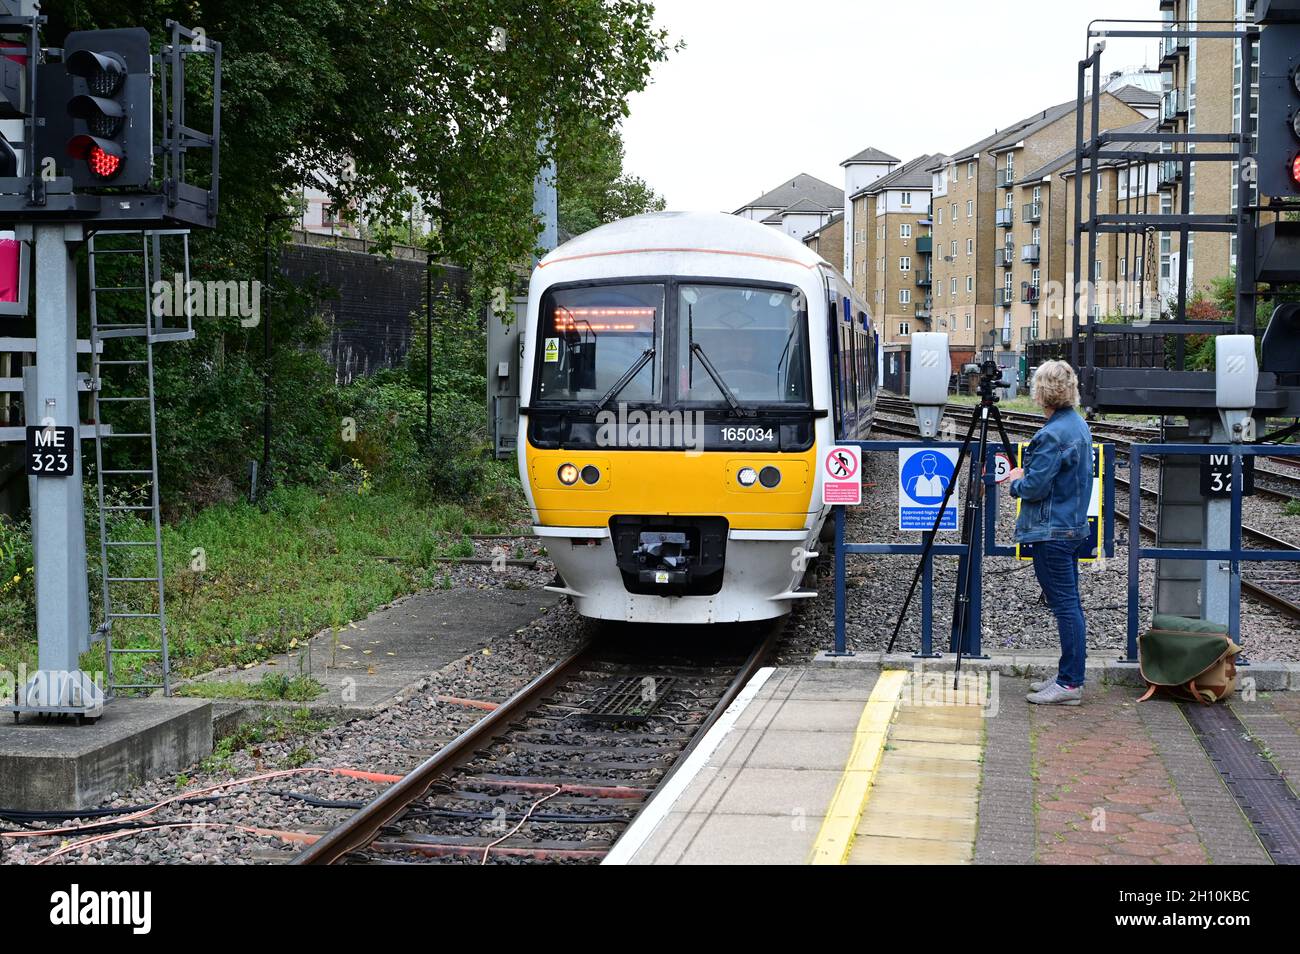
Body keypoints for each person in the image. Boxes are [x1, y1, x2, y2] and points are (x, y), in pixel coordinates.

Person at [1005, 360, 1093, 706]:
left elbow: (1035, 487)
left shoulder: (1051, 434)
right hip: (1071, 528)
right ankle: (1067, 675)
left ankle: (1070, 683)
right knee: (1070, 605)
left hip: (1052, 532)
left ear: (1042, 391)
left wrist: (1016, 481)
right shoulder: (1077, 425)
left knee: (1066, 607)